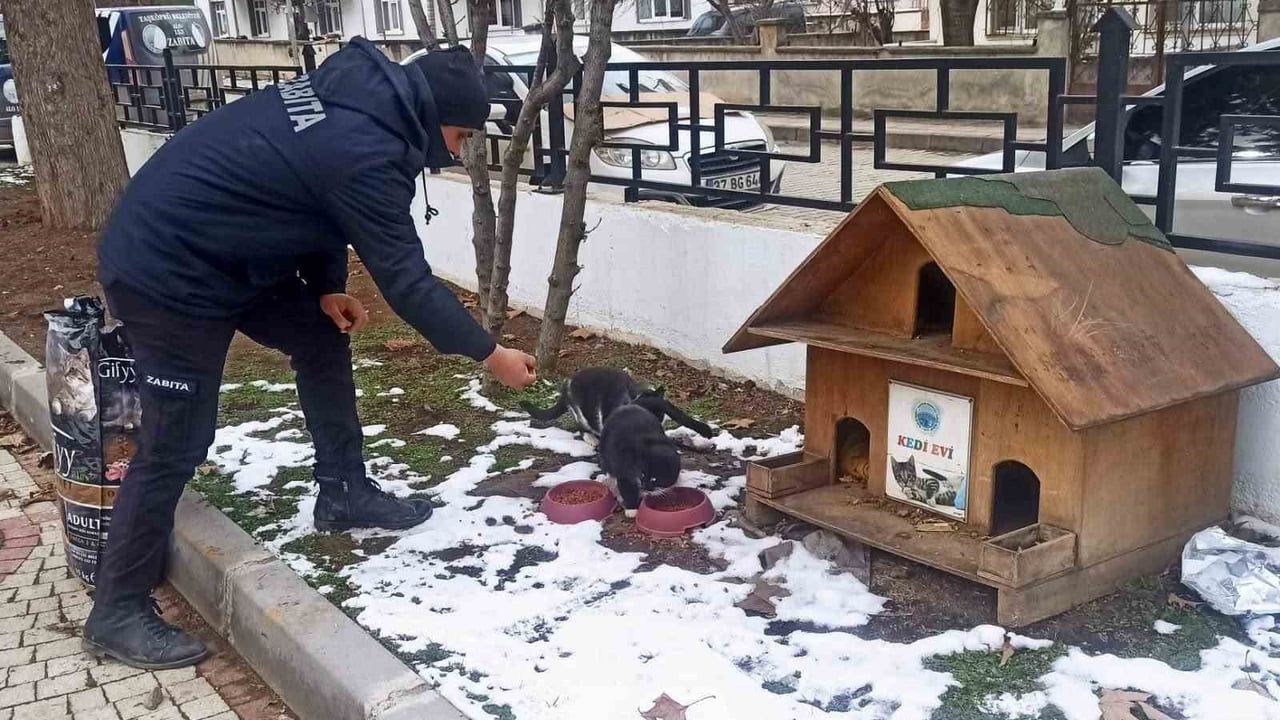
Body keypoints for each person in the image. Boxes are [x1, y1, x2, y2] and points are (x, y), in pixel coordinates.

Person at [83, 39, 535, 670]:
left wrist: (326, 287)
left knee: (322, 337)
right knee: (177, 441)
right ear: (434, 119)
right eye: (460, 137)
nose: (457, 152)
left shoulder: (353, 102)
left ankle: (344, 491)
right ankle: (116, 610)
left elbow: (314, 200)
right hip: (170, 270)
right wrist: (490, 354)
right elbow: (408, 282)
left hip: (233, 256)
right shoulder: (366, 150)